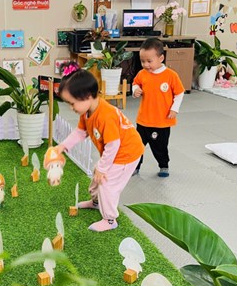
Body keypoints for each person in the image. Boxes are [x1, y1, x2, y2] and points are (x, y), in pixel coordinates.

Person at [55, 67, 144, 232]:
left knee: (107, 184)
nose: (71, 108)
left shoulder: (106, 115)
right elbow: (80, 132)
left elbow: (113, 145)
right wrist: (63, 146)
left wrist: (102, 168)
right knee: (97, 177)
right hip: (113, 152)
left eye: (72, 103)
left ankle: (110, 219)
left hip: (126, 154)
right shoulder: (87, 112)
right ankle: (96, 202)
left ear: (87, 96)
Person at [132, 38, 185, 177]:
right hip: (143, 120)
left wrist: (174, 109)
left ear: (161, 58)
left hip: (162, 121)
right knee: (136, 146)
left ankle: (163, 166)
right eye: (142, 61)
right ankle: (135, 167)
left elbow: (179, 93)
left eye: (149, 61)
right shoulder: (142, 74)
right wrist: (135, 90)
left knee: (160, 147)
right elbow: (135, 83)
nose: (145, 65)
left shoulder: (171, 75)